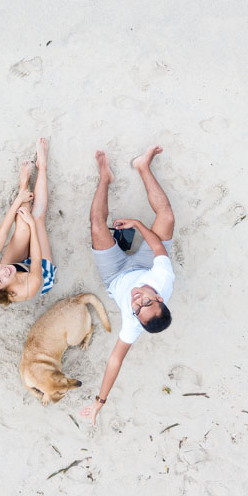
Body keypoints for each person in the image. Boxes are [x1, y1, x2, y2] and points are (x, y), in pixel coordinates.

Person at [78, 144, 176, 425]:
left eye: (136, 308)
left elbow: (115, 361)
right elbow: (157, 246)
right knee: (167, 216)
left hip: (117, 274)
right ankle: (143, 166)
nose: (136, 301)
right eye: (145, 301)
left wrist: (99, 403)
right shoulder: (163, 278)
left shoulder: (134, 323)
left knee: (97, 225)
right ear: (159, 299)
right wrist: (137, 223)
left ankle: (105, 178)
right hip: (146, 263)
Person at [0, 138, 57, 305]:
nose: (2, 272)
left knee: (22, 228)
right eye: (0, 281)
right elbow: (36, 259)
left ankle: (24, 184)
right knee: (37, 217)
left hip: (18, 266)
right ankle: (42, 167)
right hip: (38, 270)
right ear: (3, 291)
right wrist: (32, 224)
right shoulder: (28, 287)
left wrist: (19, 199)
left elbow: (2, 233)